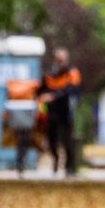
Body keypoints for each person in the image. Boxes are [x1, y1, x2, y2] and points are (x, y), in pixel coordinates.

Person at [38, 47, 81, 176]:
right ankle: (56, 160)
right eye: (58, 60)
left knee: (68, 139)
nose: (60, 62)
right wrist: (40, 97)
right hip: (52, 112)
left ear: (66, 60)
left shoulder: (72, 73)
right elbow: (40, 90)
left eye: (62, 60)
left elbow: (72, 91)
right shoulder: (49, 75)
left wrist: (53, 96)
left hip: (67, 111)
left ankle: (70, 167)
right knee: (52, 140)